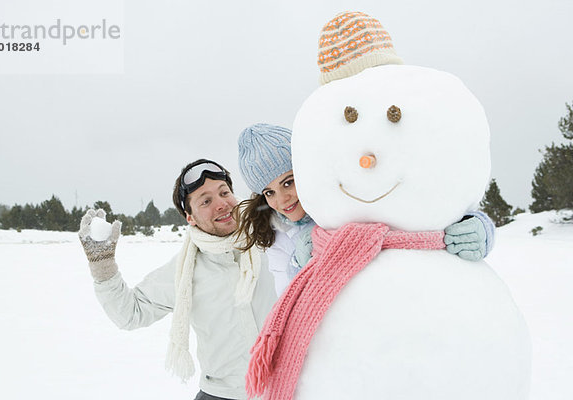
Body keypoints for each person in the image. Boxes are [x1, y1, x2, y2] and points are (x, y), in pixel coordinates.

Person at [78, 159, 277, 400]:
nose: (222, 204)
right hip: (222, 394)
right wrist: (103, 265)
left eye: (224, 192)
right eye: (206, 200)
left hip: (291, 387)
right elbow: (130, 313)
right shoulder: (184, 270)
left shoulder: (273, 242)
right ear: (190, 217)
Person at [235, 123, 495, 296]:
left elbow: (409, 209)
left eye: (288, 182)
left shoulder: (346, 194)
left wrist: (476, 224)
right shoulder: (277, 236)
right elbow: (288, 296)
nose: (282, 200)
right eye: (269, 192)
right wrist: (299, 265)